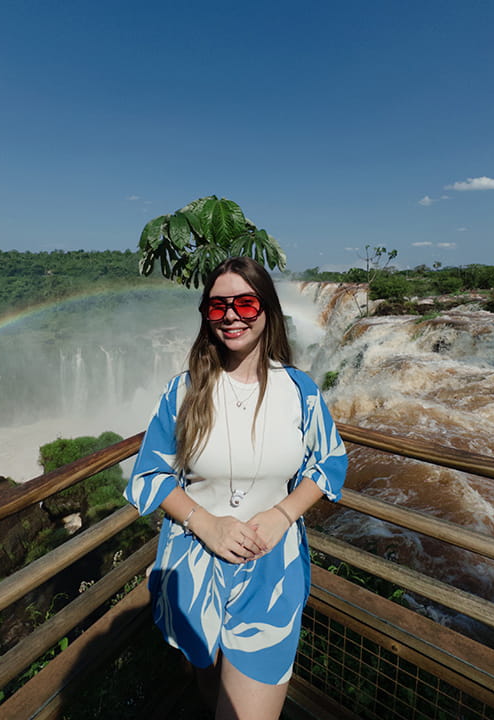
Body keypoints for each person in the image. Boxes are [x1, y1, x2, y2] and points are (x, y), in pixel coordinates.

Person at [124, 256, 348, 720]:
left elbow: (330, 462)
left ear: (266, 310)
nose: (231, 316)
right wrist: (206, 523)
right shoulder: (183, 392)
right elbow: (150, 474)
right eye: (217, 306)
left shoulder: (299, 391)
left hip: (270, 571)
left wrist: (283, 513)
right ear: (206, 314)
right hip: (192, 567)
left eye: (245, 303)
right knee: (209, 687)